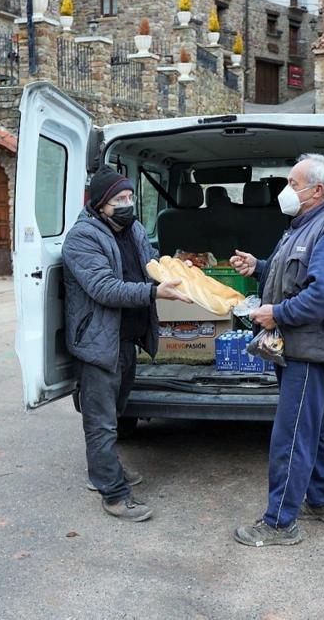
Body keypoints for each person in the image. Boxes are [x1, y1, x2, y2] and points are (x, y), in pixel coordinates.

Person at [230, 153, 324, 547]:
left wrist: (279, 314)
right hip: (299, 346)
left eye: (293, 184)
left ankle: (279, 523)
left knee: (291, 434)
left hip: (310, 350)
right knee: (314, 427)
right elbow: (288, 271)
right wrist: (257, 266)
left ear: (317, 190)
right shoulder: (302, 226)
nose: (286, 191)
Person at [62, 165, 191, 522]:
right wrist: (155, 292)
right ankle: (114, 494)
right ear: (101, 204)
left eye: (130, 197)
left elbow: (150, 262)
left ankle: (105, 468)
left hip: (126, 338)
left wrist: (178, 270)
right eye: (119, 199)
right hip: (97, 342)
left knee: (116, 411)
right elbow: (104, 288)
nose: (127, 204)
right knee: (100, 421)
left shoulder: (132, 228)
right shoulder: (82, 238)